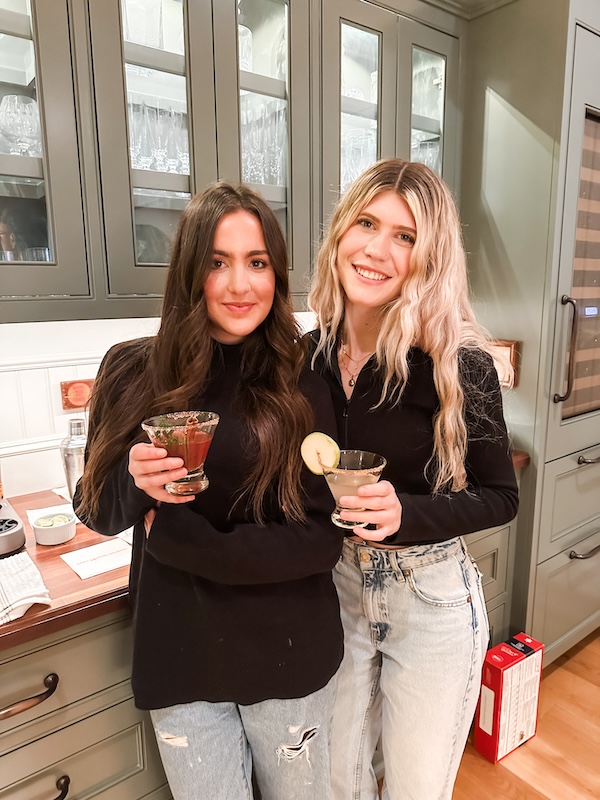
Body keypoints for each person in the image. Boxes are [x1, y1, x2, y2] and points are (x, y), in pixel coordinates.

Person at [73, 181, 345, 800]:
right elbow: (95, 510)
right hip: (182, 657)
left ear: (277, 274)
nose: (239, 284)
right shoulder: (131, 370)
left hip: (289, 655)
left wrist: (180, 539)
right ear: (190, 271)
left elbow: (320, 539)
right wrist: (135, 484)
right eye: (218, 263)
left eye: (258, 262)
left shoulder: (302, 379)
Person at [307, 158, 519, 800]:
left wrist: (408, 513)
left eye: (405, 236)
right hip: (335, 586)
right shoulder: (308, 354)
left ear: (430, 257)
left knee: (414, 789)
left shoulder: (459, 362)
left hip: (429, 597)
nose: (378, 250)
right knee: (335, 782)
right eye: (367, 224)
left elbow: (500, 497)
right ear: (341, 232)